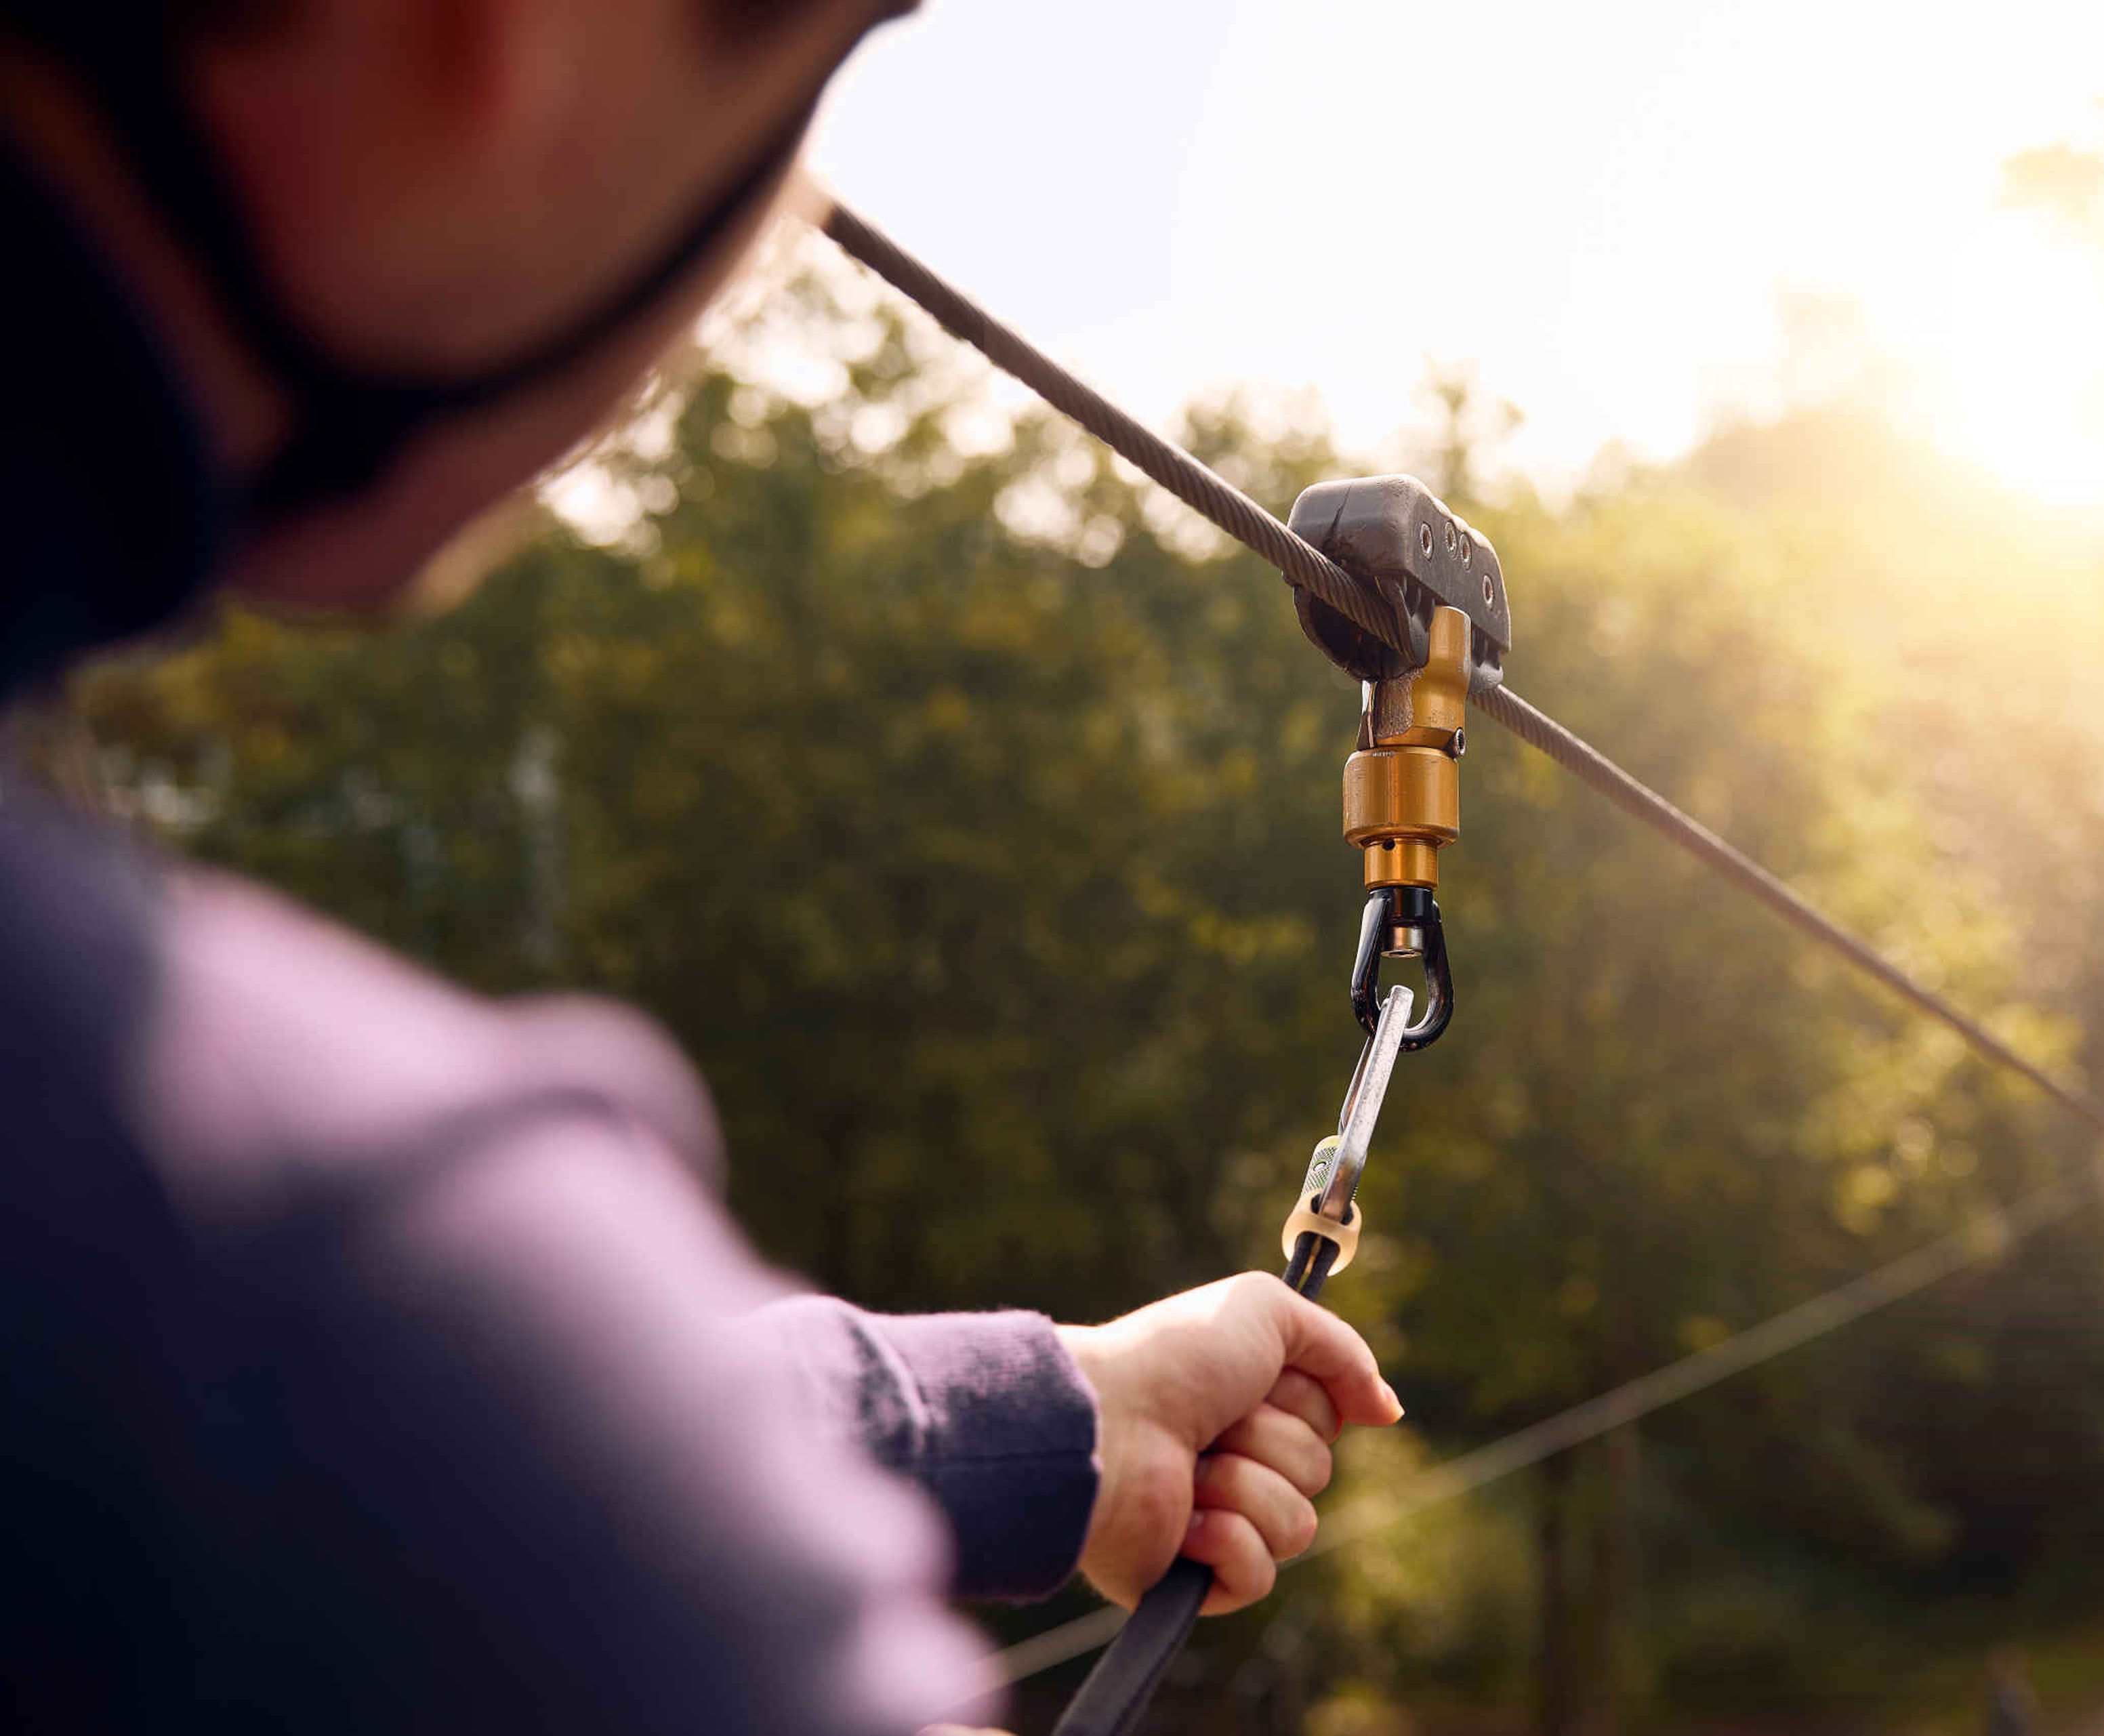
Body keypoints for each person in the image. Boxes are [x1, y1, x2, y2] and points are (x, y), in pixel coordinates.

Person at [0, 3, 1404, 1732]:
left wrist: (1038, 1422)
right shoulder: (320, 1299)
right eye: (819, 69)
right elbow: (441, 1438)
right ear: (508, 44)